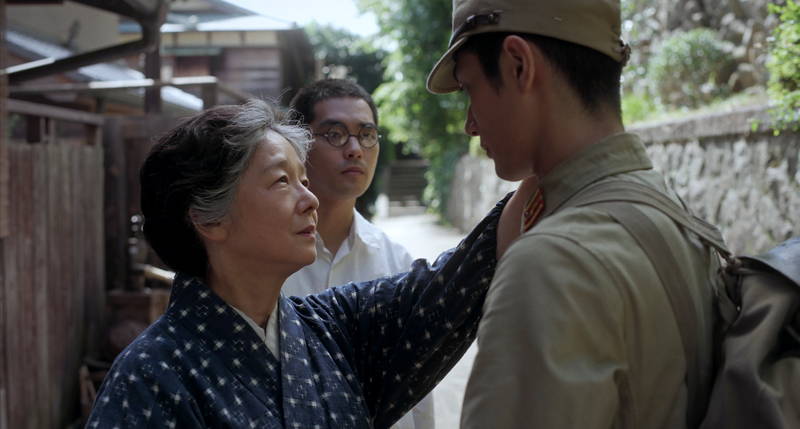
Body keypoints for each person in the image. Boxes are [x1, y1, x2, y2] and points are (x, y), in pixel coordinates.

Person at [85, 99, 526, 428]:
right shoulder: (150, 378)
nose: (311, 199)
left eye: (304, 179)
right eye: (282, 181)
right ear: (208, 218)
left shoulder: (335, 327)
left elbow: (455, 281)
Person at [426, 1, 719, 428]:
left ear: (518, 65)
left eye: (470, 89)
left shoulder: (550, 266)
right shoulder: (677, 217)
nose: (470, 124)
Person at [285, 79, 434, 429]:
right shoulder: (266, 260)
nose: (355, 149)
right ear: (299, 145)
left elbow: (419, 386)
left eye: (366, 134)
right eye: (335, 134)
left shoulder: (398, 265)